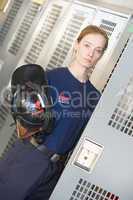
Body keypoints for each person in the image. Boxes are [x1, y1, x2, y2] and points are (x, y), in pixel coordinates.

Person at [0, 25, 108, 200]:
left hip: (56, 171)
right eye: (87, 45)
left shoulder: (95, 96)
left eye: (98, 50)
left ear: (100, 56)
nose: (91, 54)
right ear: (76, 44)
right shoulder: (49, 78)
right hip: (29, 158)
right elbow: (22, 121)